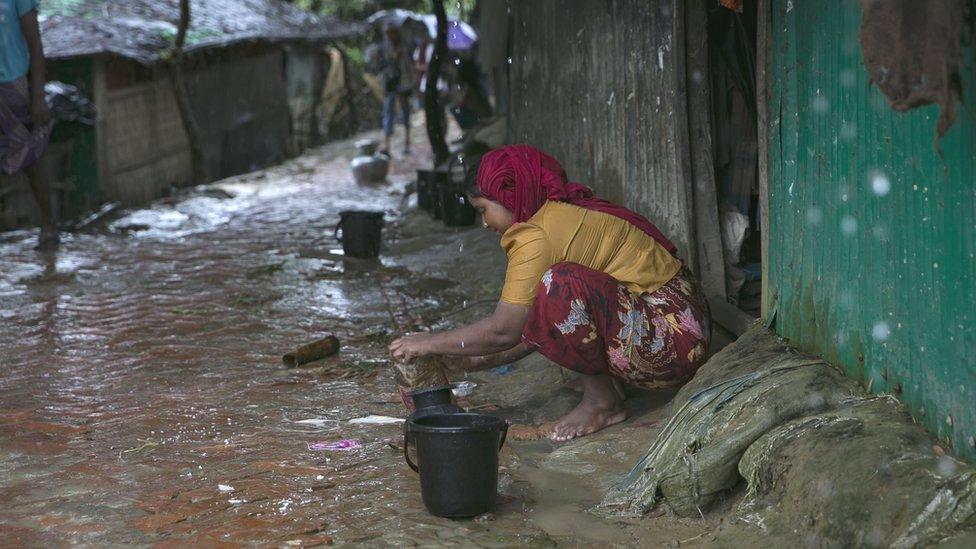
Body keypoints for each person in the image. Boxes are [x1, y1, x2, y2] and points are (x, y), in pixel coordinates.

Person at [390, 145, 710, 442]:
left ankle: (603, 403)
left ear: (509, 196)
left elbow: (505, 330)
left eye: (483, 209)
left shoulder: (538, 236)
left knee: (559, 286)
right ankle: (605, 386)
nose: (484, 224)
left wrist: (428, 342)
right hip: (680, 325)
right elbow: (536, 327)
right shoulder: (556, 213)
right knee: (554, 293)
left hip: (672, 349)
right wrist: (470, 359)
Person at [1, 0, 57, 250]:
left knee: (30, 159)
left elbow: (35, 43)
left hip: (12, 85)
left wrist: (38, 96)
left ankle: (48, 225)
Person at [378, 25, 415, 157]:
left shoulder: (405, 47)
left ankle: (407, 144)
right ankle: (386, 145)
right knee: (388, 113)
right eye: (388, 33)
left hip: (403, 84)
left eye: (391, 33)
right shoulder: (385, 48)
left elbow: (409, 66)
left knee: (405, 113)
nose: (389, 36)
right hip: (391, 85)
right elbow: (382, 66)